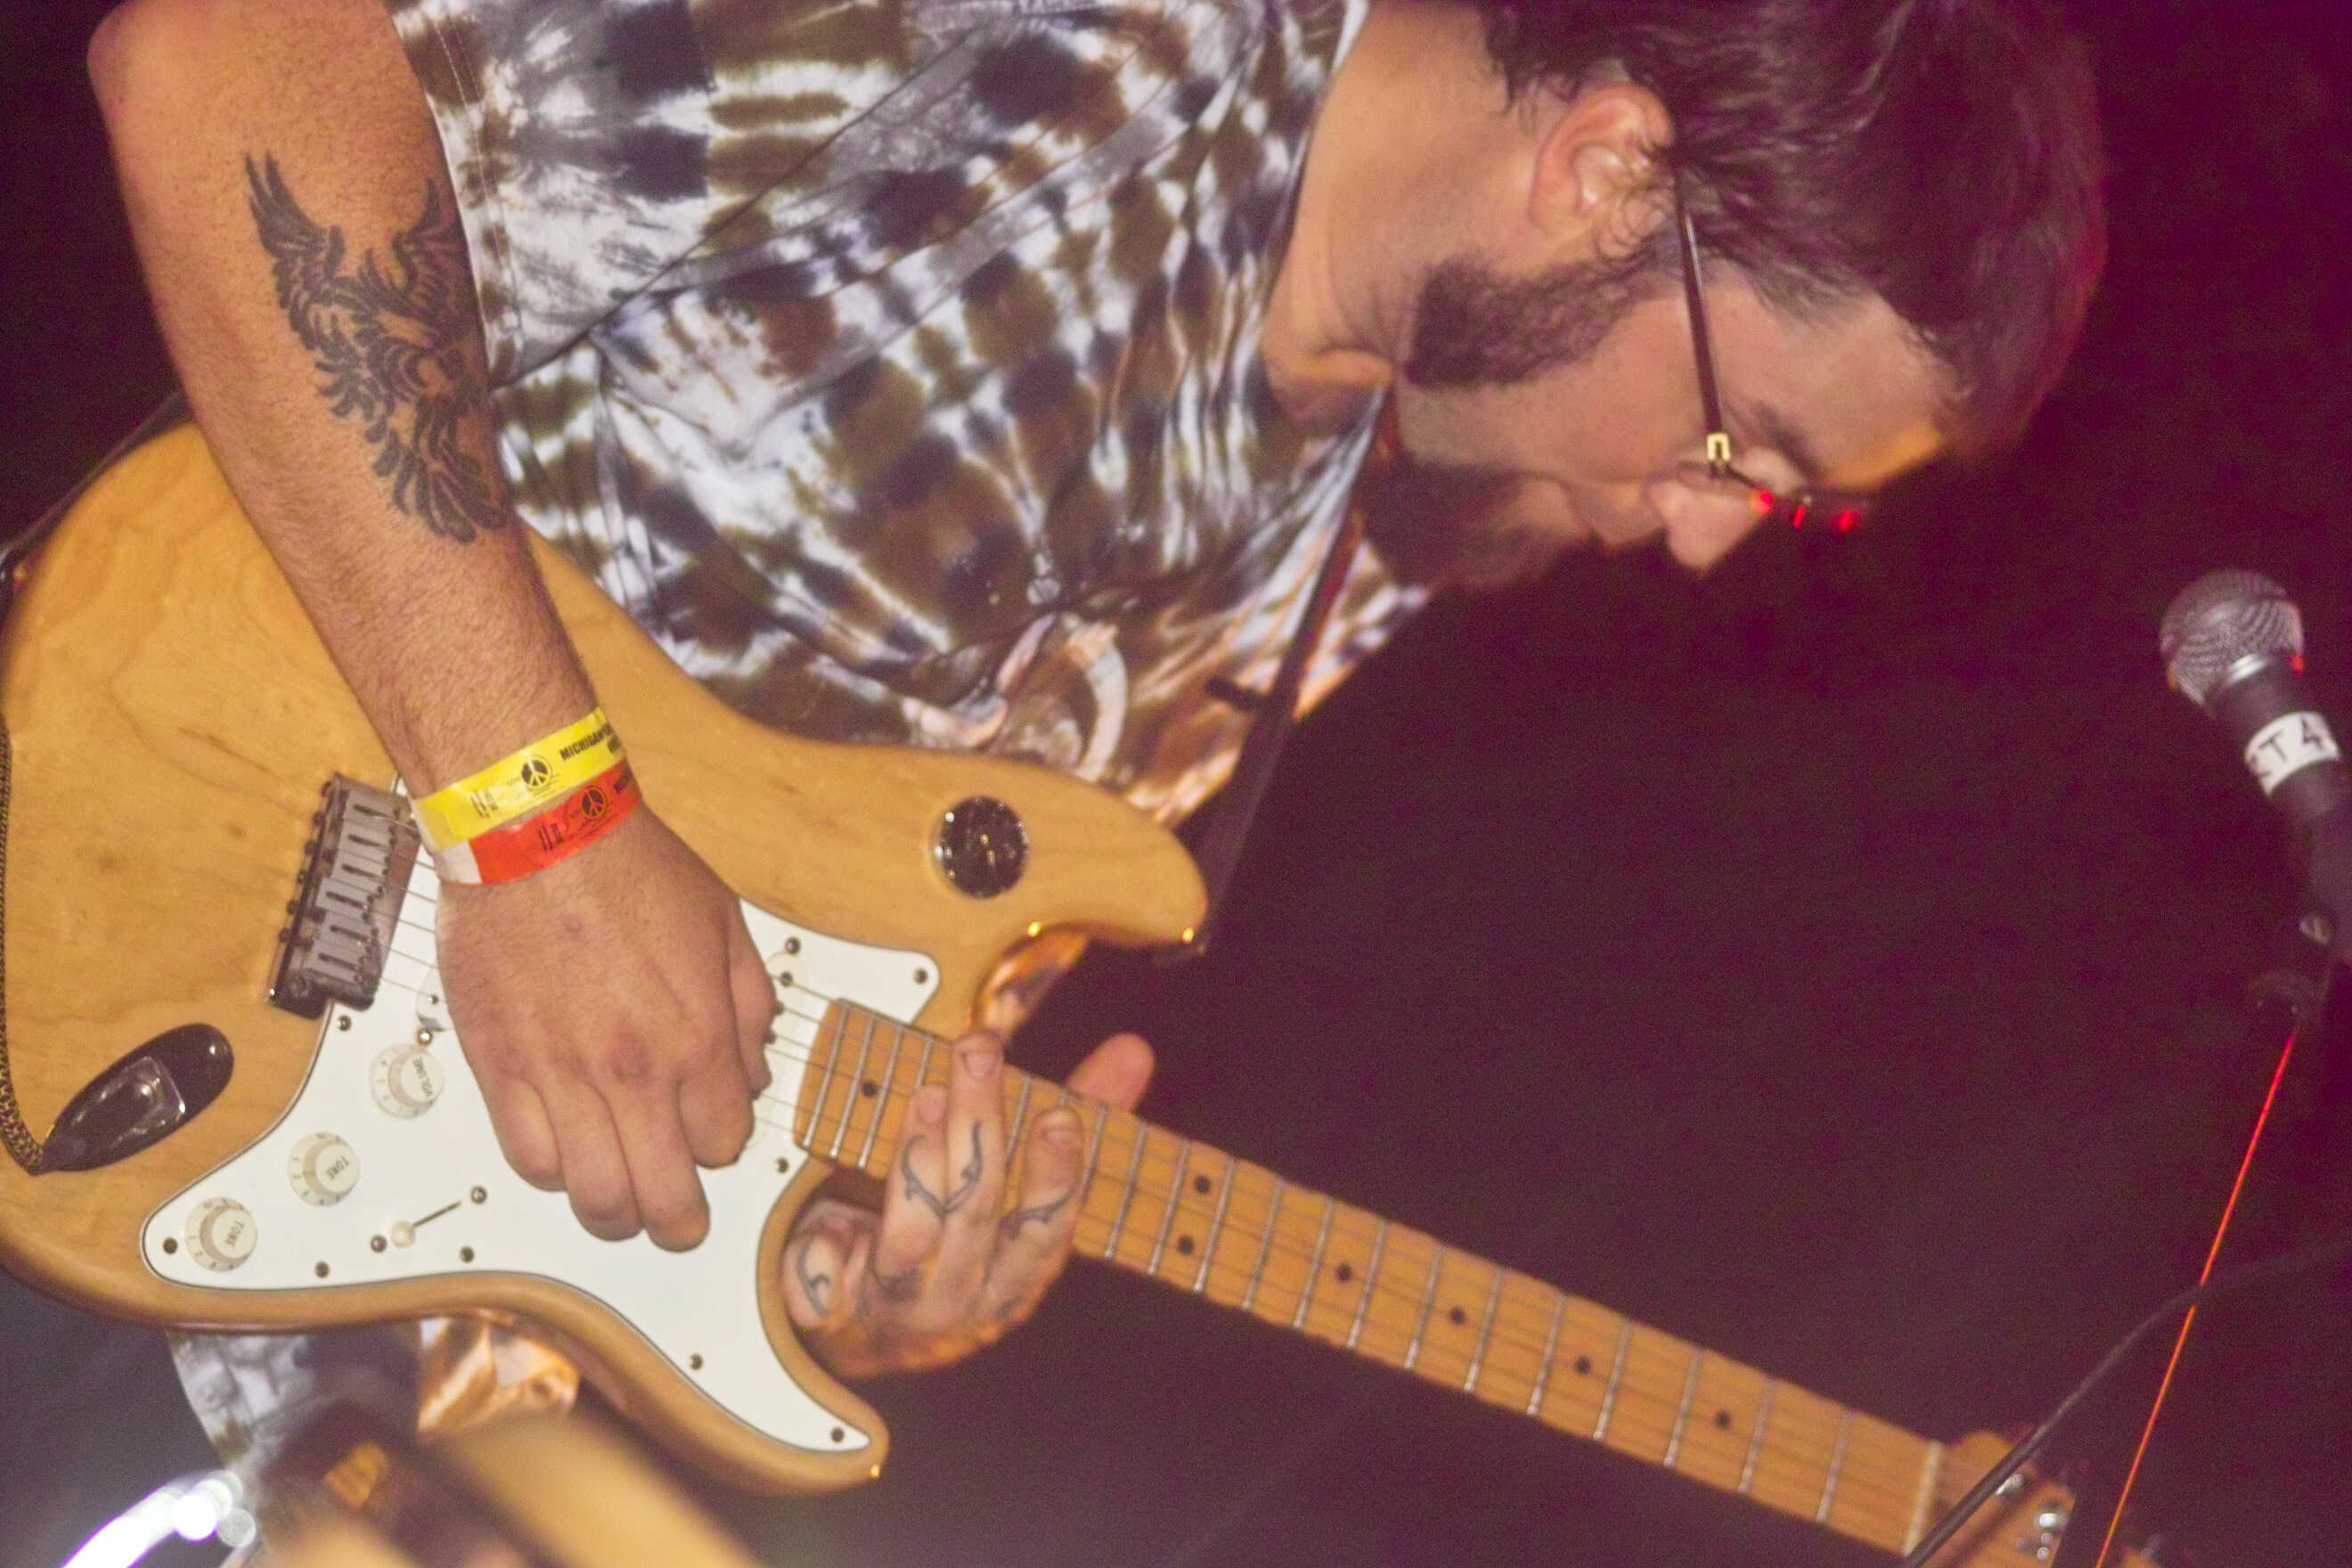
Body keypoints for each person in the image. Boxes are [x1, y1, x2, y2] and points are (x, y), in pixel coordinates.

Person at [84, 0, 2103, 1474]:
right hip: (108, 941)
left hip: (333, 1407)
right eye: (1749, 446)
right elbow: (233, 73)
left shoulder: (1377, 538)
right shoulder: (1075, 43)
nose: (1707, 534)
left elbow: (785, 984)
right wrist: (540, 815)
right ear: (1606, 174)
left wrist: (854, 1269)